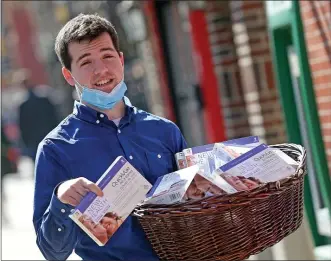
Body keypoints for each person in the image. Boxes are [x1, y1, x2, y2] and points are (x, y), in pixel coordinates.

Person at [33, 13, 187, 261]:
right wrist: (62, 199)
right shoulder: (56, 148)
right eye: (86, 62)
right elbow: (52, 252)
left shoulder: (165, 131)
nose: (101, 69)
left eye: (107, 56)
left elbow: (196, 205)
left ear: (121, 60)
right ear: (69, 75)